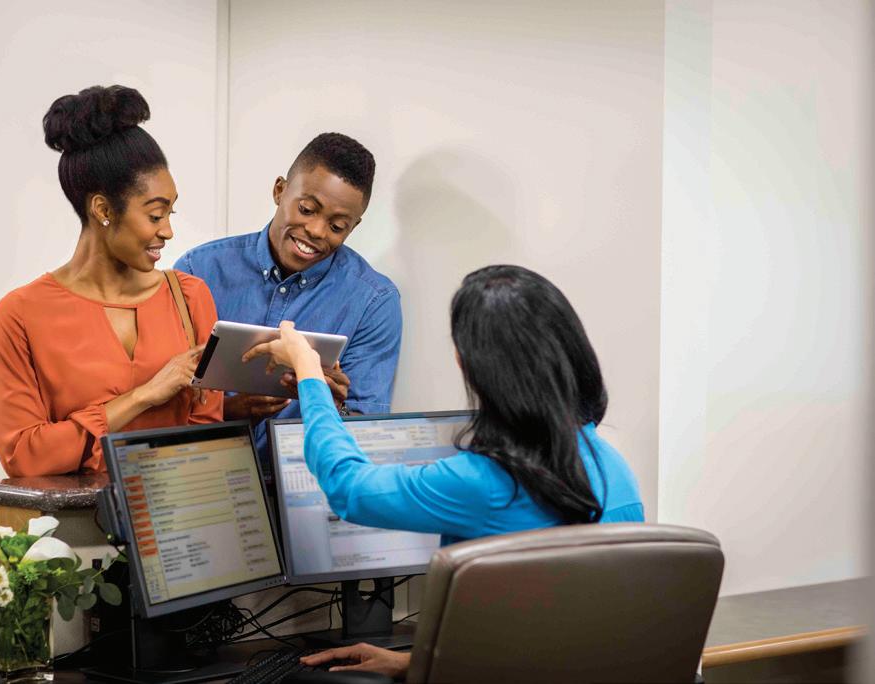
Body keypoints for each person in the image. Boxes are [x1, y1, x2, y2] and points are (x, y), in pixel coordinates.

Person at [243, 264, 644, 678]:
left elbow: (349, 487)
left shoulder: (485, 481)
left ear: (468, 363)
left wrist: (308, 370)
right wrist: (412, 662)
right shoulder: (611, 464)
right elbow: (554, 638)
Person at [0, 85, 222, 477]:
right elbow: (24, 457)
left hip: (178, 511)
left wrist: (79, 443)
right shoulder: (21, 315)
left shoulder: (190, 297)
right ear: (102, 209)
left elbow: (208, 442)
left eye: (171, 213)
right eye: (154, 215)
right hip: (73, 518)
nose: (167, 231)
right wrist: (144, 396)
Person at [173, 132, 401, 463]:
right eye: (307, 209)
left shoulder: (374, 301)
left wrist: (331, 405)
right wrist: (229, 410)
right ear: (279, 190)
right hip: (206, 470)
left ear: (354, 227)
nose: (317, 231)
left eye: (337, 226)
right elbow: (165, 394)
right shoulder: (199, 270)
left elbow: (367, 433)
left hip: (305, 482)